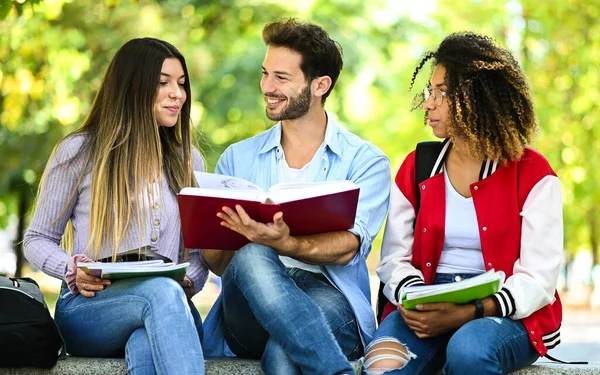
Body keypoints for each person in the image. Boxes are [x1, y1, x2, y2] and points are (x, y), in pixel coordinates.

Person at [363, 32, 564, 375]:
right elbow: (394, 259)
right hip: (426, 300)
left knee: (469, 351)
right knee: (382, 363)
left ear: (475, 97)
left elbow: (539, 279)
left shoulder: (532, 173)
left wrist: (471, 310)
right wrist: (418, 299)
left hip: (504, 311)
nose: (428, 103)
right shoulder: (417, 166)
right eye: (430, 91)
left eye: (440, 93)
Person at [201, 18, 391, 375]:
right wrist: (216, 231)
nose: (267, 87)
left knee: (285, 351)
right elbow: (219, 264)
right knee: (254, 253)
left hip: (330, 296)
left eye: (281, 78)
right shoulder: (237, 158)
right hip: (248, 309)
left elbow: (349, 246)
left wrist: (286, 243)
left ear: (320, 85)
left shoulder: (365, 161)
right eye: (265, 73)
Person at [24, 37, 207, 375]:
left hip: (164, 306)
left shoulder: (188, 161)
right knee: (163, 295)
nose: (177, 94)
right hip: (89, 309)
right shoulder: (79, 152)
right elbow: (36, 239)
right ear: (133, 86)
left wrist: (189, 282)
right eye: (163, 83)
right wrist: (72, 268)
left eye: (181, 84)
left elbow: (196, 258)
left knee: (146, 337)